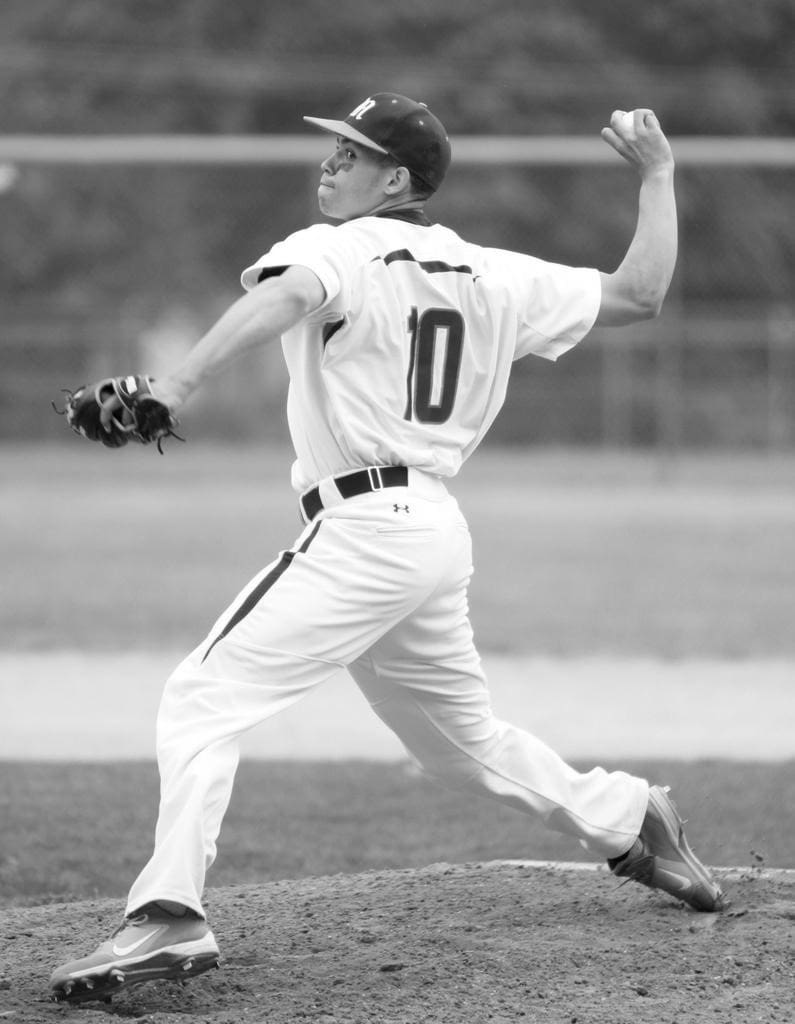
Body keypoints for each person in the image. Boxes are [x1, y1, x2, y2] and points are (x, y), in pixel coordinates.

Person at [50, 92, 724, 1004]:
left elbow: (288, 295)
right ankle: (626, 813)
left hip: (364, 530)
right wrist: (658, 177)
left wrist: (173, 382)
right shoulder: (494, 272)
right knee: (461, 746)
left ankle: (169, 912)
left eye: (352, 153)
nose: (330, 162)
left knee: (203, 696)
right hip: (432, 531)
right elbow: (638, 294)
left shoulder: (334, 247)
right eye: (332, 147)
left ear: (395, 179)